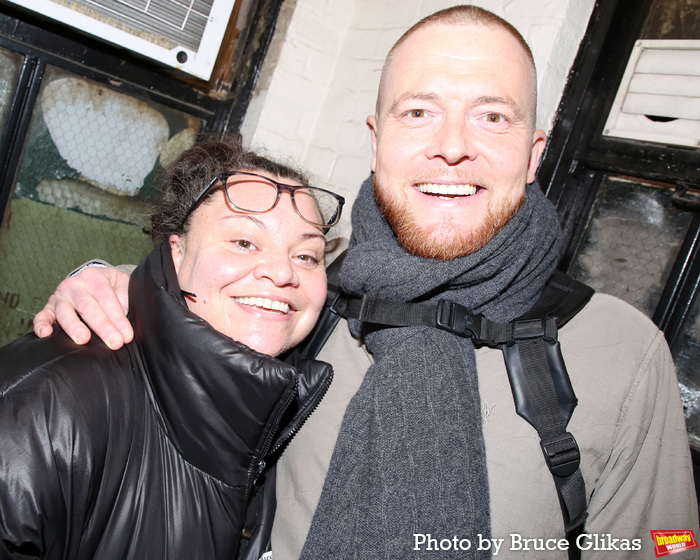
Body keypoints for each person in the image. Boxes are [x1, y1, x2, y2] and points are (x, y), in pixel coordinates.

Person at [31, 6, 699, 560]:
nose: (453, 146)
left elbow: (670, 545)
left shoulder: (621, 351)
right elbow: (187, 328)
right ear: (377, 140)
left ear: (533, 153)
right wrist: (113, 280)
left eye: (492, 117)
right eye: (418, 113)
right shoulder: (306, 300)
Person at [0, 137, 346, 559]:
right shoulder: (49, 404)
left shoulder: (272, 410)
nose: (281, 272)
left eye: (307, 256)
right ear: (176, 252)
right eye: (244, 242)